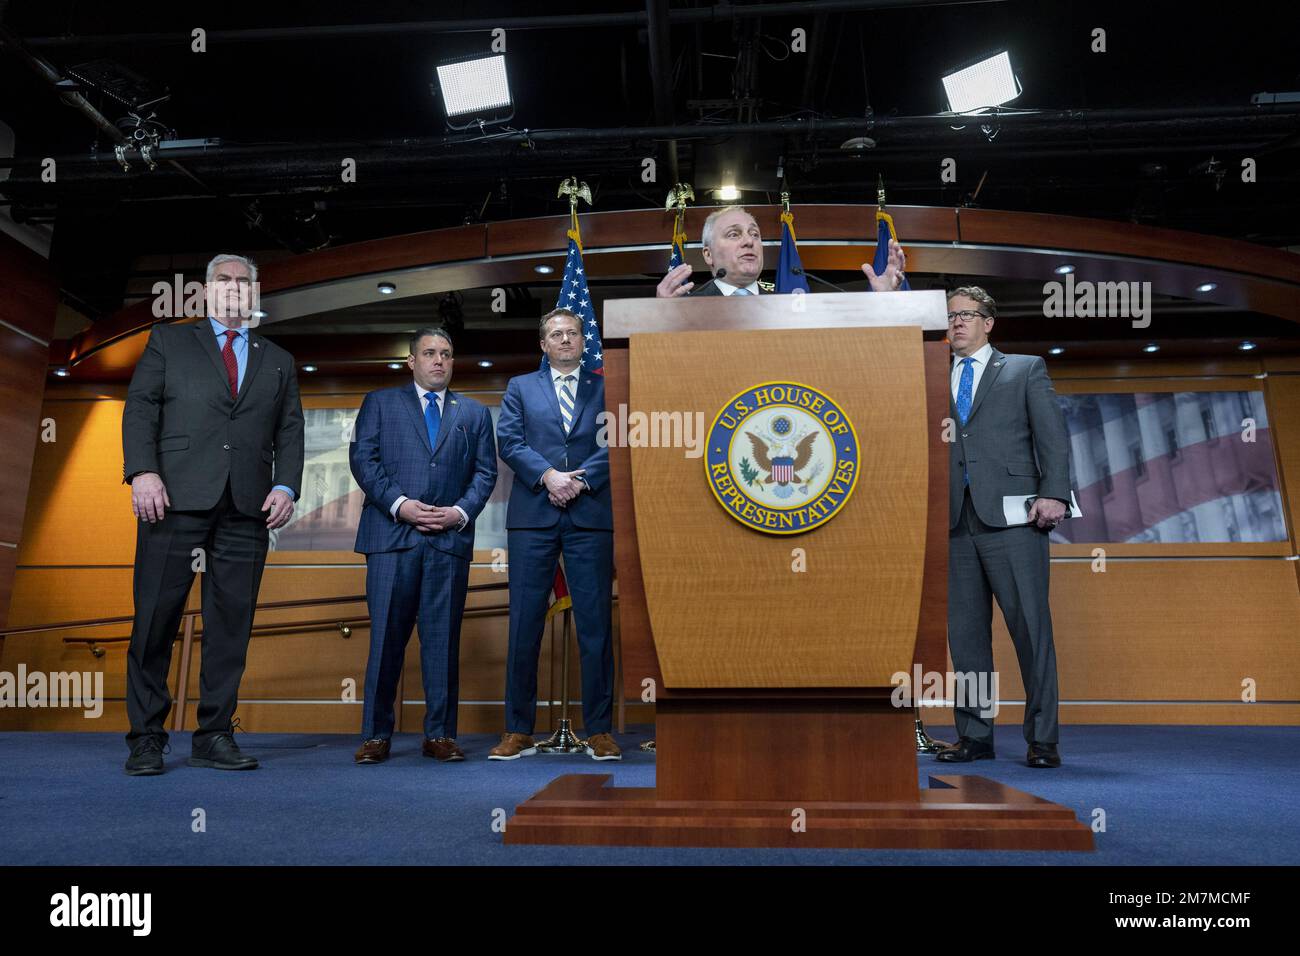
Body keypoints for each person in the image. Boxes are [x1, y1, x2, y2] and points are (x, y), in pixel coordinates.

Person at [121, 253, 304, 775]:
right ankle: (146, 740)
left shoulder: (279, 359)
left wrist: (287, 485)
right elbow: (140, 409)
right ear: (205, 291)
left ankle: (214, 734)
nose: (232, 288)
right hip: (172, 500)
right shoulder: (169, 342)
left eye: (242, 281)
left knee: (231, 628)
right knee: (155, 621)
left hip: (247, 509)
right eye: (222, 280)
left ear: (254, 293)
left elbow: (290, 430)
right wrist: (142, 472)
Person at [349, 327, 498, 764]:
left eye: (447, 354)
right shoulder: (379, 403)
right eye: (430, 353)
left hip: (448, 541)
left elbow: (485, 474)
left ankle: (440, 735)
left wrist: (460, 513)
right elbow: (363, 460)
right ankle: (375, 736)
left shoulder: (473, 413)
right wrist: (399, 505)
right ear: (411, 361)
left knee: (442, 642)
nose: (439, 361)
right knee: (385, 644)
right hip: (392, 539)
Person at [937, 286, 1071, 769]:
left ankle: (1043, 740)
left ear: (988, 323)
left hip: (1017, 521)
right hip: (954, 522)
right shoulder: (932, 375)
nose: (956, 323)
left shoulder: (1024, 369)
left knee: (1031, 632)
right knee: (967, 638)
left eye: (967, 315)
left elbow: (1052, 438)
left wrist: (1055, 493)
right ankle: (975, 736)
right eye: (950, 316)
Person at [490, 307, 619, 761]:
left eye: (573, 333)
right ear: (543, 345)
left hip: (590, 515)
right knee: (525, 624)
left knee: (596, 625)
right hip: (534, 516)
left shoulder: (606, 386)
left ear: (584, 341)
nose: (565, 340)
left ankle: (600, 730)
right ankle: (518, 729)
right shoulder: (520, 388)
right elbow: (509, 441)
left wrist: (580, 481)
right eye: (556, 335)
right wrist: (548, 476)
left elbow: (617, 440)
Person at [655, 205, 907, 297]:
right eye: (734, 234)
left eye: (754, 234)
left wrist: (884, 302)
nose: (748, 241)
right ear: (707, 254)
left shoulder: (787, 300)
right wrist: (661, 318)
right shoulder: (687, 308)